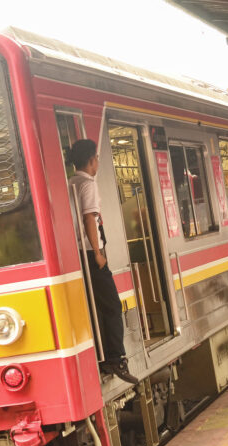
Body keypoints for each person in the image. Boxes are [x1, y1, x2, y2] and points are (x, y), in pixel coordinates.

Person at [68, 139, 138, 385]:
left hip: (76, 253)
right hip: (89, 251)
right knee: (111, 305)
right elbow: (90, 219)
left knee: (95, 306)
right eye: (96, 158)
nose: (97, 162)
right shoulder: (88, 184)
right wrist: (97, 252)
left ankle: (102, 355)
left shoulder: (70, 184)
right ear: (91, 160)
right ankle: (116, 357)